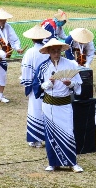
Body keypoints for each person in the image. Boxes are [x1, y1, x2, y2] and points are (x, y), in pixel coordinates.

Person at [35, 37, 84, 172]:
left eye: (58, 51)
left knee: (68, 132)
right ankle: (53, 163)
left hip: (65, 104)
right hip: (49, 104)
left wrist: (71, 84)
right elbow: (36, 87)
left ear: (62, 51)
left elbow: (79, 83)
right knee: (51, 134)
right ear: (49, 52)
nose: (56, 54)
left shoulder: (70, 65)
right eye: (53, 51)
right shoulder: (43, 67)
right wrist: (48, 84)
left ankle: (72, 162)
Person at [21, 25, 51, 148]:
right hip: (48, 85)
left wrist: (27, 84)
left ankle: (35, 139)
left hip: (35, 85)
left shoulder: (30, 52)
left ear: (32, 39)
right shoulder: (48, 50)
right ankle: (47, 137)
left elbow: (26, 70)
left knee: (35, 110)